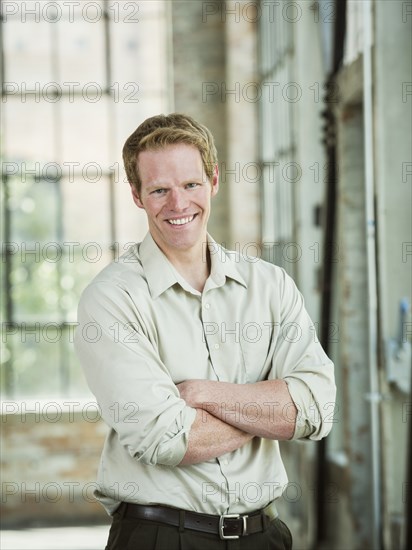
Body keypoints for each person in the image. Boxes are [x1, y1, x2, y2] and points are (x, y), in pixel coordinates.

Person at [74, 113, 336, 549]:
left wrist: (202, 394)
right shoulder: (111, 299)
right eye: (159, 190)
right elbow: (168, 439)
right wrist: (271, 411)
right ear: (138, 196)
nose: (178, 205)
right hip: (160, 537)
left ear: (214, 181)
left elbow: (317, 408)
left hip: (263, 536)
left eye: (191, 185)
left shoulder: (269, 286)